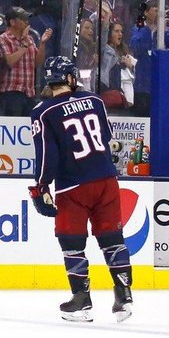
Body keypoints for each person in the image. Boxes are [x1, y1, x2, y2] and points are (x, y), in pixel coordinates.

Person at [29, 56, 134, 323]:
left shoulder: (43, 112)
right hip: (106, 179)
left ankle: (81, 300)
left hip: (72, 186)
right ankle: (123, 296)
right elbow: (107, 135)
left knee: (72, 243)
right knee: (112, 238)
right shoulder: (96, 100)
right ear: (70, 78)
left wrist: (40, 187)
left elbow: (46, 156)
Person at [130, 0, 169, 115]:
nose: (159, 14)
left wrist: (164, 31)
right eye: (156, 10)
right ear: (146, 12)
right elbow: (135, 48)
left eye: (161, 11)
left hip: (163, 86)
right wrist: (150, 31)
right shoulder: (138, 30)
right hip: (143, 86)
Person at [0, 7, 51, 116]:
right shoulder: (3, 38)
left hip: (29, 92)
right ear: (12, 22)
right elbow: (10, 61)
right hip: (11, 92)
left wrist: (43, 43)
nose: (27, 21)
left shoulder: (30, 38)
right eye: (23, 19)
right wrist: (24, 44)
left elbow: (37, 63)